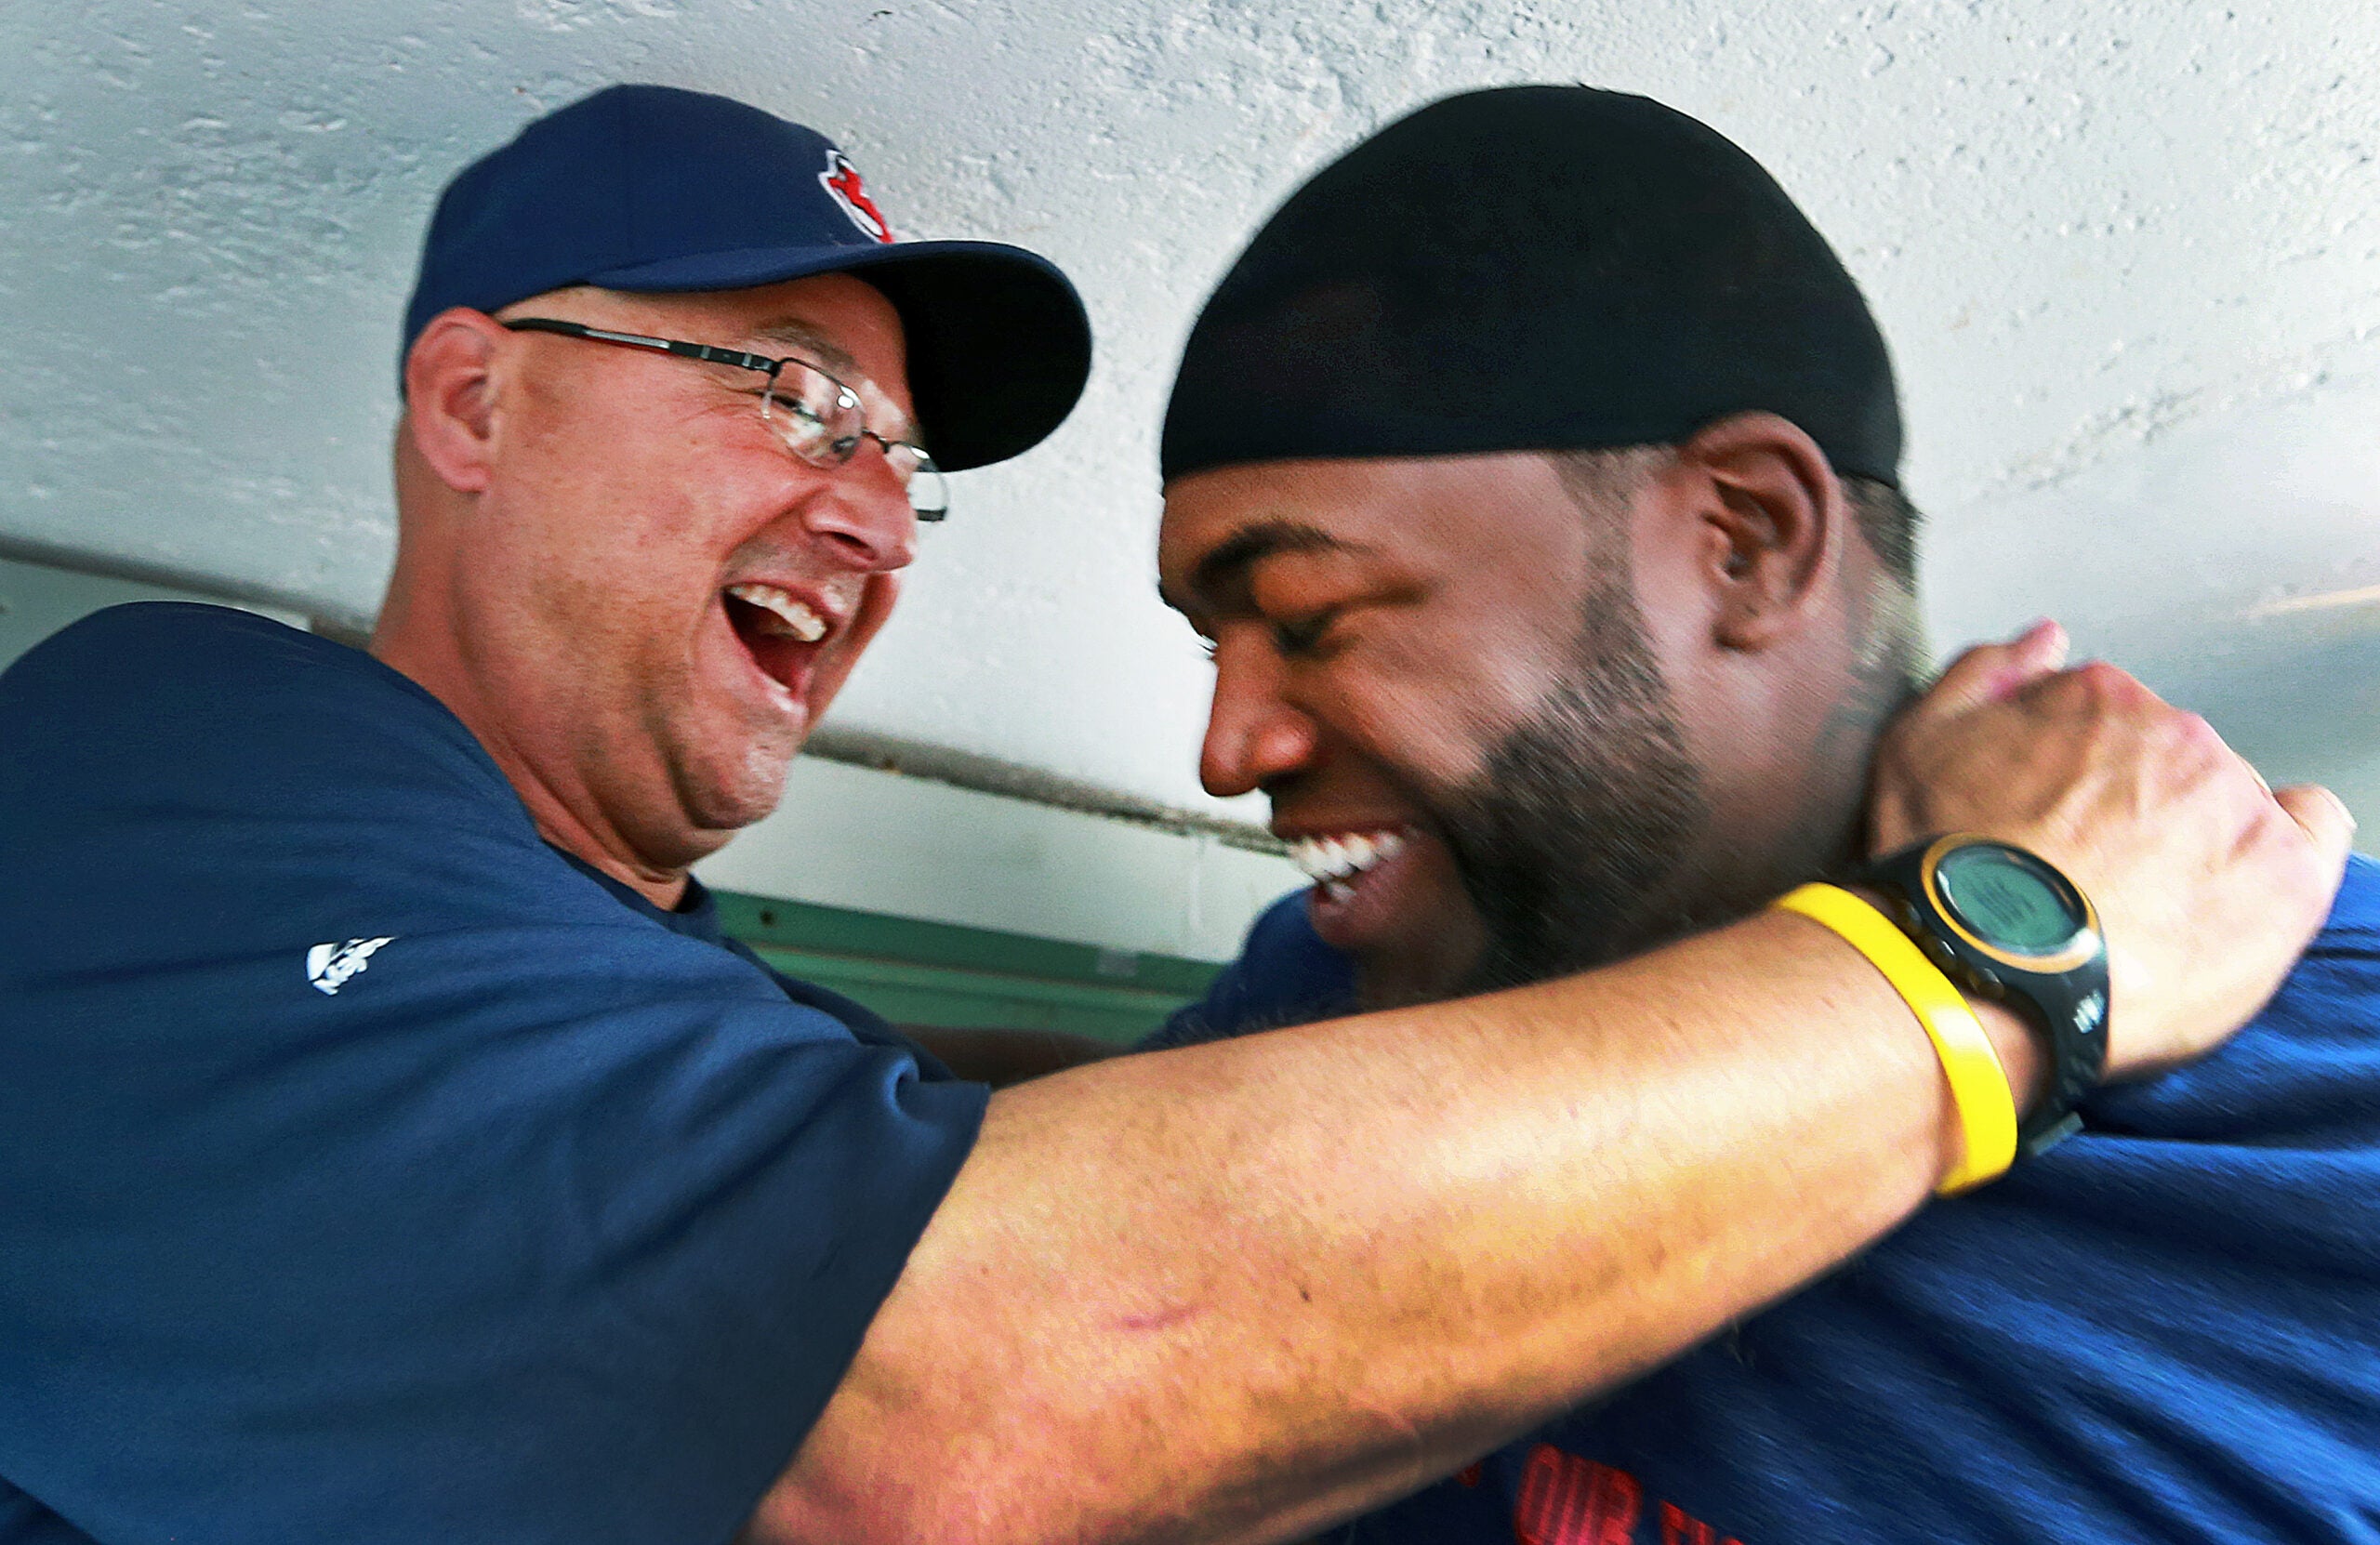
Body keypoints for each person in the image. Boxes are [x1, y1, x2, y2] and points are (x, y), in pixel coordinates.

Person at [0, 83, 2347, 1545]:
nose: (880, 522)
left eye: (894, 459)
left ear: (1740, 543)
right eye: (797, 394)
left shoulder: (2316, 1104)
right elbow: (942, 1388)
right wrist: (2004, 957)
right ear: (473, 401)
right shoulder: (175, 765)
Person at [1152, 85, 2380, 1541]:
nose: (1227, 750)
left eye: (1310, 612)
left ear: (1746, 540)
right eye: (1205, 641)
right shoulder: (1325, 985)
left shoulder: (2337, 1096)